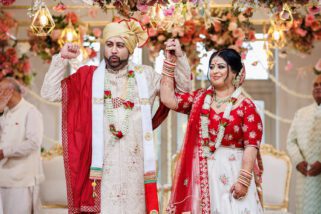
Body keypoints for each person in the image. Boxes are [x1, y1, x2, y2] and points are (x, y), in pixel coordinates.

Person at [41, 18, 192, 213]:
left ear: (130, 49)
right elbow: (49, 93)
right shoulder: (88, 77)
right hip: (102, 171)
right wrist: (61, 58)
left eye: (120, 45)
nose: (114, 50)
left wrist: (178, 58)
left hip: (136, 171)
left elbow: (183, 92)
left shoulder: (146, 76)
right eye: (110, 44)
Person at [160, 47, 264, 213]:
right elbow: (168, 99)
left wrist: (243, 181)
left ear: (235, 71)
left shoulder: (246, 106)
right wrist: (170, 63)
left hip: (233, 172)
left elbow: (251, 146)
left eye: (221, 67)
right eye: (212, 67)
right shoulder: (200, 99)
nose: (214, 71)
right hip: (203, 173)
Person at [0, 77, 44, 214]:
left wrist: (4, 152)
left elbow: (33, 143)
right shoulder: (4, 113)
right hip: (4, 178)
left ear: (10, 91)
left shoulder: (31, 112)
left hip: (22, 181)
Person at [287, 75, 321, 214]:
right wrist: (298, 161)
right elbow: (291, 141)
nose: (317, 87)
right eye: (315, 84)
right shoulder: (301, 113)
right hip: (305, 175)